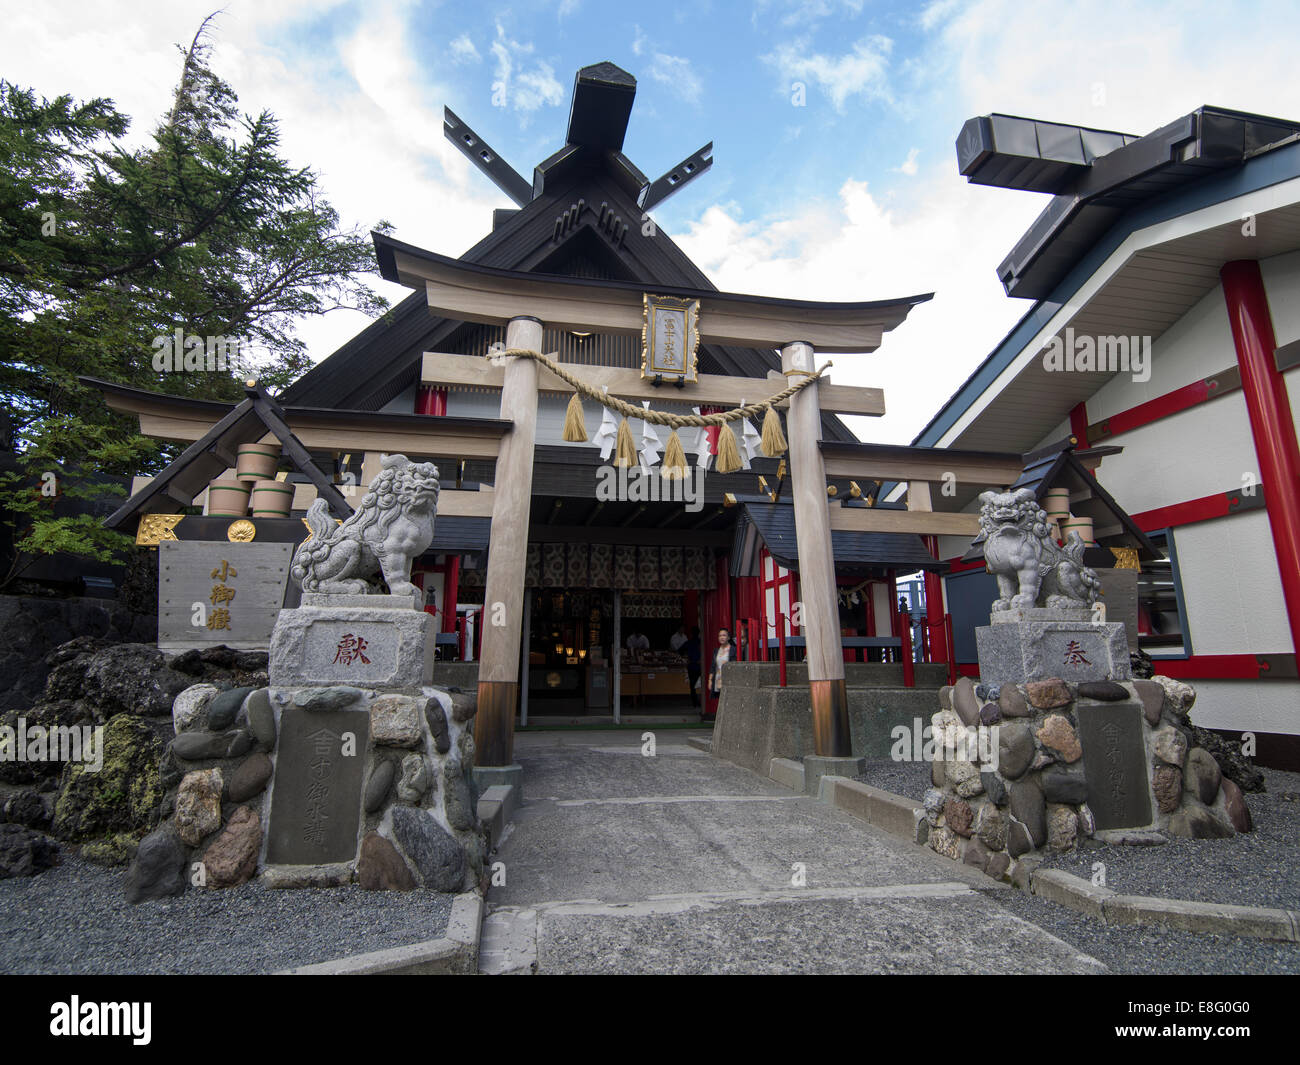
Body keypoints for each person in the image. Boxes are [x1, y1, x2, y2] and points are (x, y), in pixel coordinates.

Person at [708, 627, 734, 701]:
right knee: (720, 701)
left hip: (728, 680)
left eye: (724, 635)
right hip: (718, 680)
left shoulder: (733, 650)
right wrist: (710, 680)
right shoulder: (716, 650)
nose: (721, 637)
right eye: (720, 636)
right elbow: (713, 666)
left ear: (728, 637)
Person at [683, 627, 702, 707]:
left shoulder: (688, 642)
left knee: (692, 685)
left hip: (691, 666)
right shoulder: (701, 642)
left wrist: (687, 658)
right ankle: (701, 701)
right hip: (700, 666)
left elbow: (680, 650)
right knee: (702, 685)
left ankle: (694, 702)